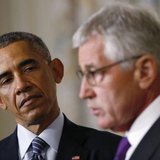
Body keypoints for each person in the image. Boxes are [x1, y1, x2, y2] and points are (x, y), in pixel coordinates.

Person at [0, 31, 121, 160]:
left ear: (56, 71)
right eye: (6, 80)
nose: (21, 86)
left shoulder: (113, 151)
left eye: (29, 69)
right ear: (1, 100)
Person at [73, 2, 160, 160]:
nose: (83, 92)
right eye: (83, 74)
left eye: (93, 73)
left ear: (144, 72)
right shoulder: (131, 145)